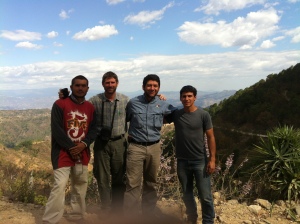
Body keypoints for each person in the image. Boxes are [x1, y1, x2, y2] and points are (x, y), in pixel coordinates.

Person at [43, 75, 97, 224]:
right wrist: (72, 147)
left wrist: (84, 144)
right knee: (59, 186)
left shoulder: (90, 107)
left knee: (80, 185)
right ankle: (50, 219)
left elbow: (94, 129)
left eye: (83, 85)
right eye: (77, 85)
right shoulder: (60, 104)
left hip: (82, 153)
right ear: (71, 87)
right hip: (62, 153)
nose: (80, 88)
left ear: (87, 88)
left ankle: (77, 215)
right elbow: (57, 129)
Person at [124, 74, 177, 220]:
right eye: (149, 85)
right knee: (132, 184)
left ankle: (148, 215)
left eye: (155, 86)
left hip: (154, 147)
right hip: (135, 147)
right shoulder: (133, 103)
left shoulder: (163, 103)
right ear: (143, 87)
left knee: (151, 182)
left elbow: (175, 114)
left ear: (159, 88)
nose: (152, 88)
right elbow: (124, 120)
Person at [168, 85, 216, 224]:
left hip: (200, 160)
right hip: (182, 161)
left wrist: (212, 159)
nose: (186, 99)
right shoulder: (177, 114)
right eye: (184, 96)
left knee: (205, 195)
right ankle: (192, 219)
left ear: (195, 97)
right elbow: (161, 116)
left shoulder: (203, 115)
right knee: (187, 195)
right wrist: (160, 98)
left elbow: (211, 137)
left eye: (189, 96)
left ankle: (208, 221)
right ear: (180, 98)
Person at [89, 71, 129, 213]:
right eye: (107, 82)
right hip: (101, 143)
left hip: (119, 142)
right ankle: (105, 209)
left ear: (117, 83)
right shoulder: (95, 101)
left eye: (112, 82)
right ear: (103, 84)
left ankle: (117, 210)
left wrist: (158, 97)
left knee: (119, 177)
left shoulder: (125, 100)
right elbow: (80, 106)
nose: (110, 85)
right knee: (102, 178)